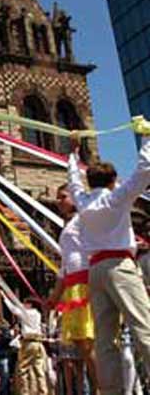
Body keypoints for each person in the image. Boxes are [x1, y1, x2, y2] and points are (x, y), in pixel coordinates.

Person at [68, 126, 150, 395]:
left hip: (96, 272)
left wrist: (73, 151)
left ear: (90, 182)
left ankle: (112, 391)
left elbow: (73, 181)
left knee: (105, 339)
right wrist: (147, 138)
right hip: (120, 267)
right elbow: (144, 171)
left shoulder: (82, 202)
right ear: (113, 180)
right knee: (143, 326)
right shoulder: (117, 198)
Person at [46, 184, 98, 394]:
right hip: (72, 285)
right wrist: (55, 296)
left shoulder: (84, 220)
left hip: (85, 283)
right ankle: (96, 387)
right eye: (58, 198)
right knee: (81, 342)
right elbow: (65, 266)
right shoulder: (70, 224)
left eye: (63, 197)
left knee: (87, 341)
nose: (59, 201)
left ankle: (101, 388)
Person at [2, 294, 47, 395]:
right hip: (38, 343)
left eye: (25, 303)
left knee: (23, 369)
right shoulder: (37, 313)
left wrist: (4, 297)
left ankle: (25, 392)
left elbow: (13, 309)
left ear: (30, 304)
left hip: (28, 342)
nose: (23, 304)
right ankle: (43, 391)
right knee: (38, 368)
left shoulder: (27, 313)